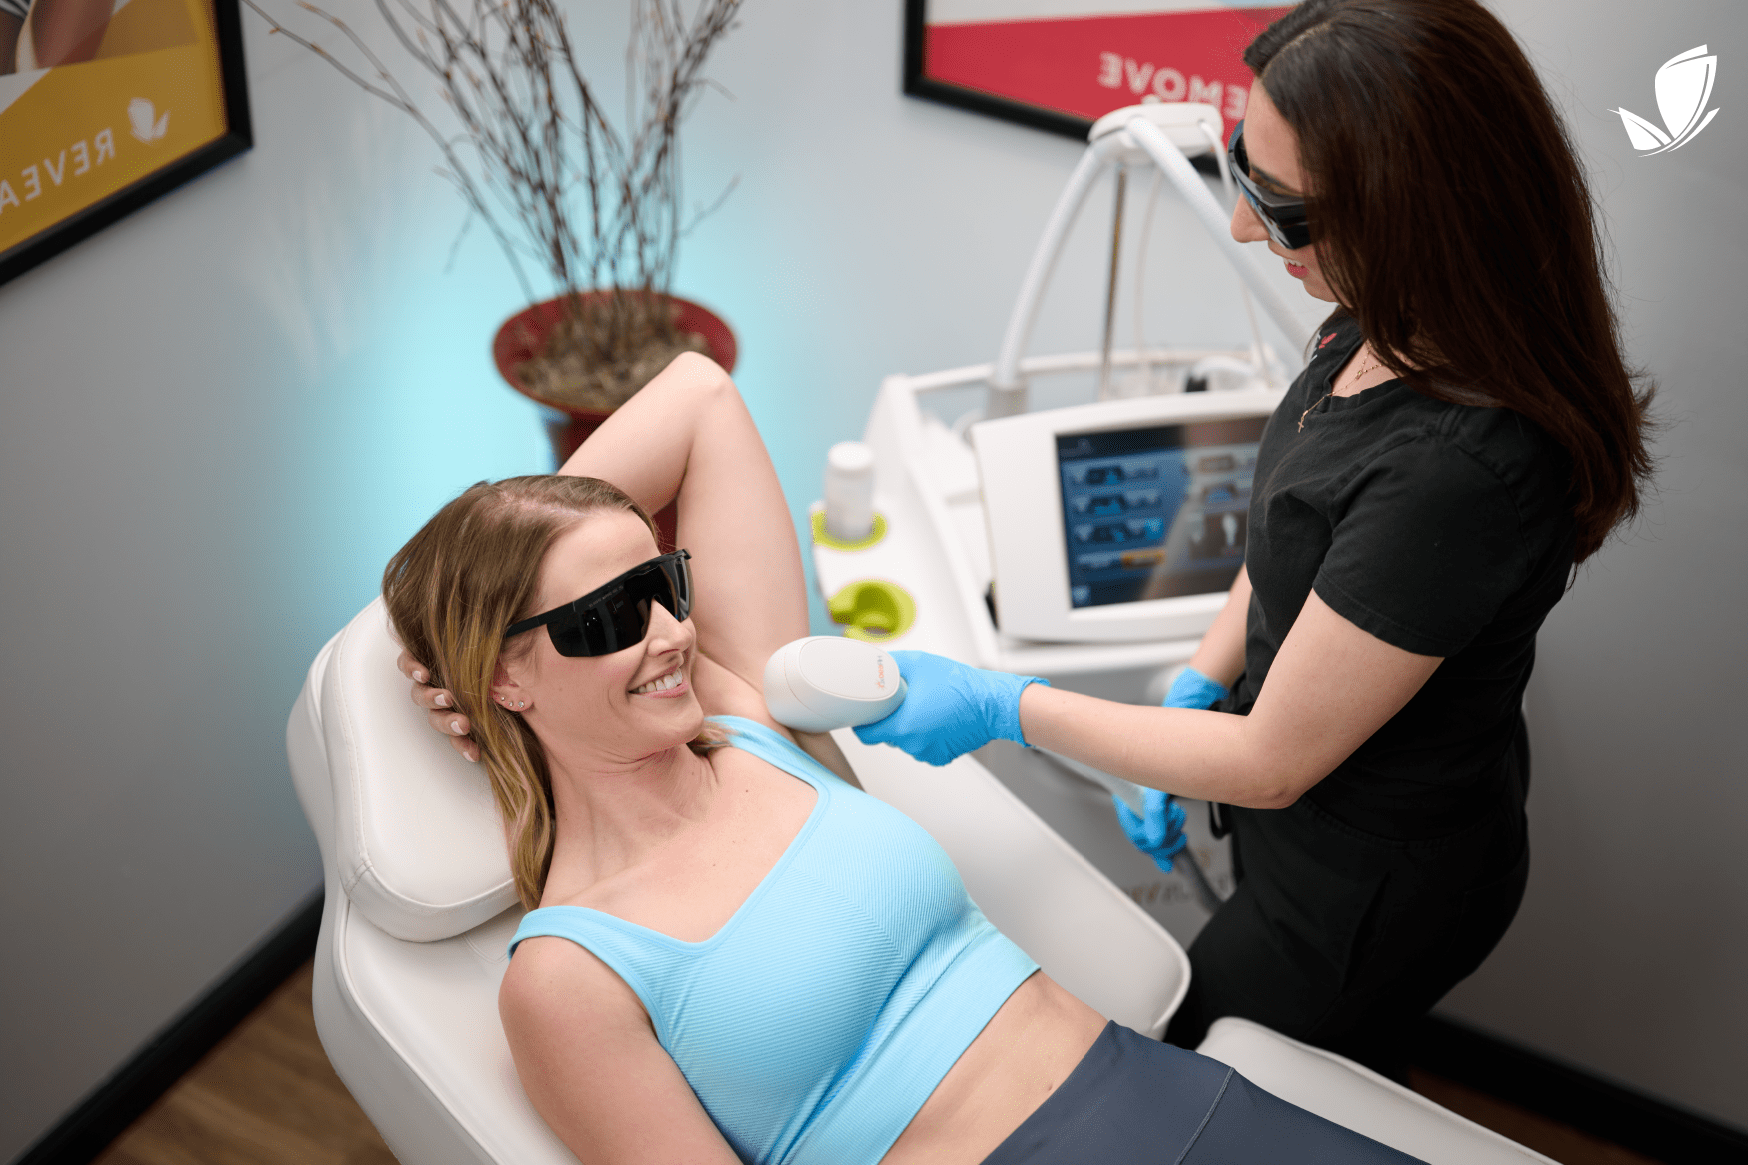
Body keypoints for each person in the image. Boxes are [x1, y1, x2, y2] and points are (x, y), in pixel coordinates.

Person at [854, 0, 1656, 1079]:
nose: (1239, 227)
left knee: (1191, 1073)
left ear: (1414, 213)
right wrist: (1201, 667)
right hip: (1307, 818)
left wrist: (1010, 708)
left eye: (1281, 210)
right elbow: (1299, 535)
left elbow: (1273, 763)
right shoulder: (1380, 321)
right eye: (1241, 167)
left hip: (1362, 894)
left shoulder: (1460, 471)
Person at [388, 351, 1426, 1163]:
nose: (667, 635)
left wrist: (496, 573)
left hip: (1176, 1100)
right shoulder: (569, 976)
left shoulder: (750, 718)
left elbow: (700, 397)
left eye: (664, 585)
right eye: (610, 615)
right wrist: (458, 618)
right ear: (505, 679)